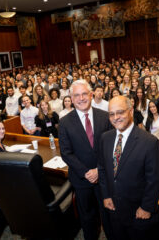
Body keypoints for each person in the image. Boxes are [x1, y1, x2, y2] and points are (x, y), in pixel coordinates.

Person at [98, 96, 159, 240]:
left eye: (120, 112)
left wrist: (147, 207)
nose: (116, 117)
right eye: (111, 114)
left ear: (131, 111)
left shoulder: (150, 142)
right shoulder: (105, 138)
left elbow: (154, 180)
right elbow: (102, 169)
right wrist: (106, 195)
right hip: (114, 209)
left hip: (138, 213)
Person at [59, 80, 112, 240]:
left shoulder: (105, 117)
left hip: (104, 178)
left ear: (91, 95)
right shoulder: (64, 122)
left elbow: (111, 148)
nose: (81, 98)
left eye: (84, 94)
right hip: (82, 180)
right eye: (77, 95)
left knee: (109, 216)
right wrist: (86, 172)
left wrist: (98, 170)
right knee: (87, 219)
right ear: (71, 98)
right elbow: (66, 153)